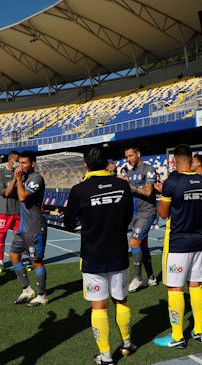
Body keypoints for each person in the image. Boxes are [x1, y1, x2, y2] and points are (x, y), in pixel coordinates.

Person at [64, 147, 137, 364]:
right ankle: (126, 343)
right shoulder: (122, 185)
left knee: (99, 306)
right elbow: (128, 217)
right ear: (107, 164)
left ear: (85, 166)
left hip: (93, 254)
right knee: (121, 300)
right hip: (118, 252)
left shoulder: (79, 189)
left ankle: (106, 357)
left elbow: (68, 222)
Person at [153, 144, 202, 348]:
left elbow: (163, 214)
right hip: (197, 239)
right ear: (191, 159)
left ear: (175, 161)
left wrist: (162, 193)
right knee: (195, 285)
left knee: (175, 288)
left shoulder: (172, 182)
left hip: (177, 241)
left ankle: (177, 337)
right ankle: (199, 331)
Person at [7, 150, 49, 307]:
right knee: (13, 256)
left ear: (33, 164)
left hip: (35, 226)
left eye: (24, 163)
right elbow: (7, 193)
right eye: (20, 163)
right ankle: (27, 290)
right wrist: (15, 178)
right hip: (23, 227)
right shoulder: (22, 177)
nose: (21, 165)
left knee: (36, 261)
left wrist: (19, 179)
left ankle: (42, 295)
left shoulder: (36, 178)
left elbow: (23, 196)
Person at [121, 146, 157, 292]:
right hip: (135, 214)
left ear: (138, 154)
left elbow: (148, 192)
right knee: (143, 246)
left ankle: (138, 279)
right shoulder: (129, 172)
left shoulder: (148, 169)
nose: (129, 159)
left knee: (133, 243)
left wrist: (130, 187)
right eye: (127, 157)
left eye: (131, 156)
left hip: (147, 213)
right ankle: (152, 277)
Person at [0, 151, 21, 275]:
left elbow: (21, 190)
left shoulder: (21, 172)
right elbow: (3, 191)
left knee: (18, 238)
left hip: (17, 210)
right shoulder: (0, 171)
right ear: (10, 160)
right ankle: (1, 263)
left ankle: (19, 262)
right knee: (2, 237)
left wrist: (12, 188)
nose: (18, 163)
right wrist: (15, 180)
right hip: (4, 210)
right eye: (16, 161)